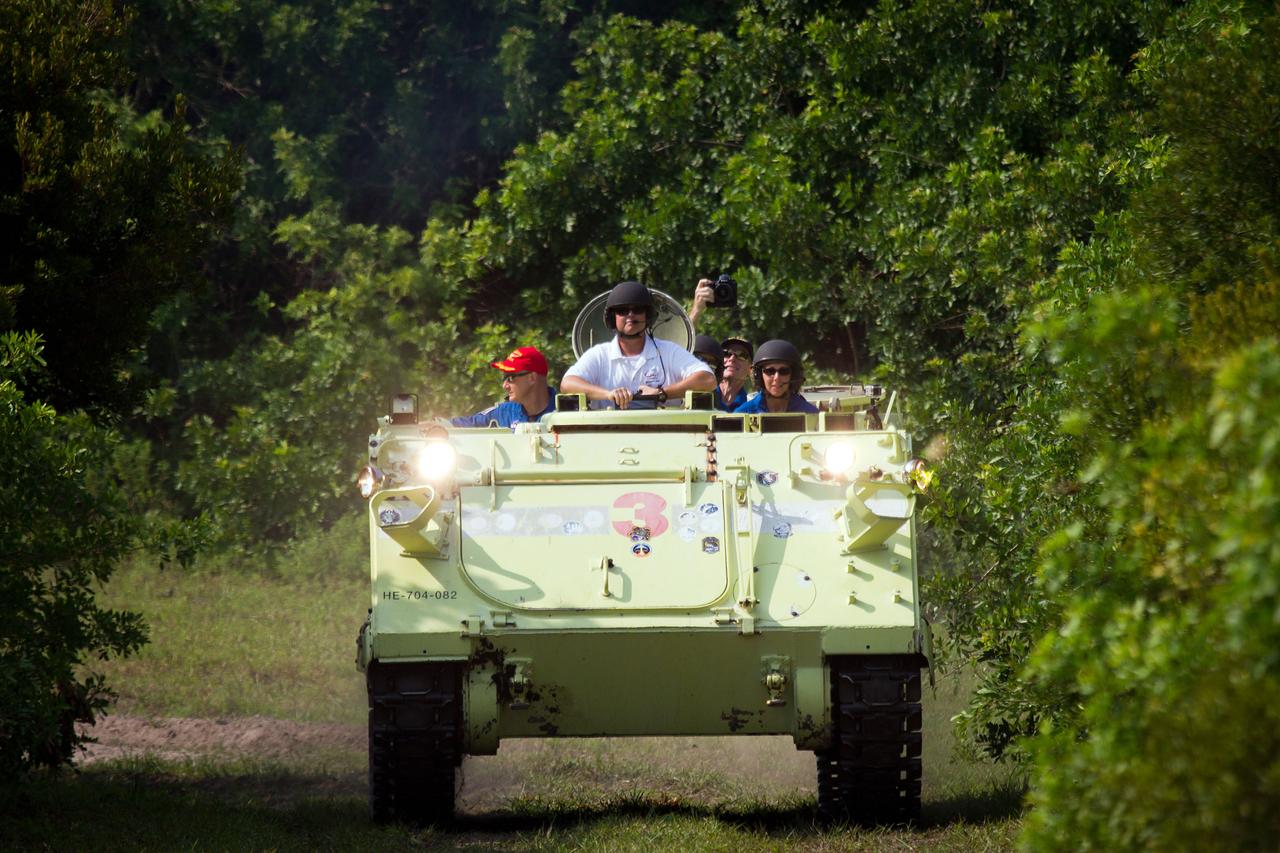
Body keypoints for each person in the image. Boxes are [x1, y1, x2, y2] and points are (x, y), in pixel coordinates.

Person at [561, 280, 715, 409]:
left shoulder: (668, 351)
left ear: (648, 315)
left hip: (664, 435)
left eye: (637, 309)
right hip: (609, 435)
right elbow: (568, 383)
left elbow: (708, 380)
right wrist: (608, 394)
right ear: (612, 317)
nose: (630, 315)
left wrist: (661, 394)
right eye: (622, 310)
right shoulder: (600, 354)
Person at [450, 346, 557, 427]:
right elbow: (466, 423)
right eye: (504, 378)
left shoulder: (567, 412)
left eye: (511, 377)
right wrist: (438, 426)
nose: (505, 385)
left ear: (532, 378)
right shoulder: (504, 412)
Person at [733, 339, 818, 414]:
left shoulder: (811, 414)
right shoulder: (743, 414)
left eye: (784, 371)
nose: (777, 378)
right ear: (758, 375)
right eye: (770, 371)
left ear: (793, 375)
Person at [717, 335, 753, 412]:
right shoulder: (700, 396)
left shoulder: (751, 407)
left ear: (750, 369)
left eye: (741, 355)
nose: (732, 358)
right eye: (726, 353)